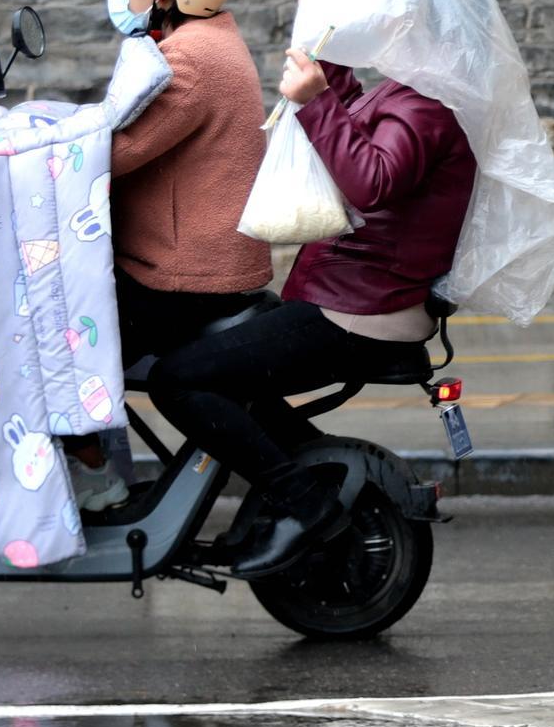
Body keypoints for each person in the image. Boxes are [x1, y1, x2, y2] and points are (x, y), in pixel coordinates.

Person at [146, 47, 479, 578]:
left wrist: (317, 100)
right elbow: (362, 138)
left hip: (362, 311)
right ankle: (309, 473)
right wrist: (335, 79)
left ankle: (306, 505)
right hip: (351, 296)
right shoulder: (409, 90)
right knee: (212, 359)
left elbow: (372, 181)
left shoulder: (428, 104)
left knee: (178, 381)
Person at [62, 0, 273, 511]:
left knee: (61, 343)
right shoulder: (202, 40)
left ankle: (93, 483)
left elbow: (116, 150)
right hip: (188, 265)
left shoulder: (189, 60)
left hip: (187, 277)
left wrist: (22, 151)